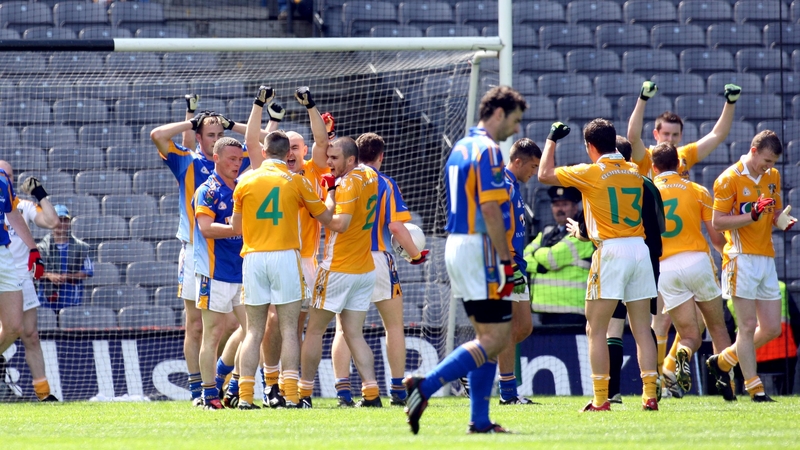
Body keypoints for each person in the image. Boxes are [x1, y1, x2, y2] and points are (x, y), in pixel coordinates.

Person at [404, 86, 526, 435]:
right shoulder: (488, 150)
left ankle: (480, 420)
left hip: (458, 244)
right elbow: (489, 208)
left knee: (487, 334)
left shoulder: (460, 147)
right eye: (515, 121)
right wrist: (505, 261)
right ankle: (424, 386)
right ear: (498, 114)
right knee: (497, 337)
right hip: (480, 247)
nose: (517, 130)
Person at [150, 91, 275, 406]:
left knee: (237, 326)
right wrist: (190, 120)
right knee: (196, 325)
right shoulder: (188, 161)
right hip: (197, 249)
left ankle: (222, 382)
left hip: (232, 252)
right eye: (210, 134)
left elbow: (270, 142)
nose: (216, 138)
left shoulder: (235, 161)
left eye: (221, 134)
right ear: (198, 136)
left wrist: (235, 124)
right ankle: (200, 392)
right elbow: (157, 136)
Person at [539, 119, 659, 412]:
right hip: (639, 250)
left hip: (611, 251)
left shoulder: (590, 172)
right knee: (642, 327)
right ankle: (650, 395)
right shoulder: (634, 171)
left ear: (590, 147)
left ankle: (600, 399)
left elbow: (544, 174)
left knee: (596, 328)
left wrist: (552, 139)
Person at [628, 81, 739, 381]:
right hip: (667, 255)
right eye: (667, 134)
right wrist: (642, 100)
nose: (672, 139)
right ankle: (664, 374)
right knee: (664, 322)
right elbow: (631, 136)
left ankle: (666, 374)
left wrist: (729, 104)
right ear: (656, 135)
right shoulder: (648, 158)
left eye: (676, 135)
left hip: (665, 258)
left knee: (686, 325)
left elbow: (717, 134)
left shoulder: (683, 156)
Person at [244, 87, 333, 407]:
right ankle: (271, 385)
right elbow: (253, 142)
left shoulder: (311, 171)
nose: (292, 152)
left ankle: (296, 389)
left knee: (296, 326)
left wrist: (311, 105)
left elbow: (324, 142)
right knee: (270, 323)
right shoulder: (265, 172)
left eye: (297, 146)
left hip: (305, 259)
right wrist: (258, 107)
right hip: (276, 255)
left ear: (304, 150)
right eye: (288, 147)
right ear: (281, 151)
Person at [330, 132, 427, 408]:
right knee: (394, 326)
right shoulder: (385, 183)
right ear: (381, 156)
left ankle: (344, 392)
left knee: (345, 329)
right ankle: (397, 390)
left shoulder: (341, 182)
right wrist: (416, 255)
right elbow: (397, 227)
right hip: (379, 258)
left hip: (347, 258)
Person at [707, 130, 797, 402]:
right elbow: (718, 222)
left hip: (765, 258)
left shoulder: (772, 177)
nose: (768, 167)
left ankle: (723, 361)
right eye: (766, 160)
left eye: (773, 163)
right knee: (746, 325)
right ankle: (754, 388)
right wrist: (751, 214)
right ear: (754, 150)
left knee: (772, 328)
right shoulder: (728, 179)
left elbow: (775, 212)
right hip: (739, 258)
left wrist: (781, 220)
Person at [298, 137, 379, 408]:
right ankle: (371, 394)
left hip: (337, 269)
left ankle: (304, 394)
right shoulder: (370, 174)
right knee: (354, 333)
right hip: (364, 269)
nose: (328, 163)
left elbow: (340, 224)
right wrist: (333, 190)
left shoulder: (346, 184)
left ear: (351, 160)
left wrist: (317, 206)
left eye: (334, 158)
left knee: (314, 331)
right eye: (328, 157)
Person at [650, 142, 732, 395]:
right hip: (697, 261)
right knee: (717, 326)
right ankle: (727, 385)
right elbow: (716, 238)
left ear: (653, 167)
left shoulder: (647, 192)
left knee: (689, 336)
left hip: (666, 267)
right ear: (678, 164)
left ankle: (682, 354)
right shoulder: (697, 190)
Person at [192, 137, 248, 410]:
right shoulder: (208, 191)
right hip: (214, 273)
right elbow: (205, 228)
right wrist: (237, 229)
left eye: (239, 160)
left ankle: (237, 386)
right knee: (212, 335)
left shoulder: (241, 189)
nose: (236, 164)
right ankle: (208, 393)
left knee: (254, 333)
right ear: (216, 158)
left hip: (244, 273)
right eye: (231, 159)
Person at [491, 137, 543, 405]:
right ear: (518, 161)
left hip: (517, 265)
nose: (533, 173)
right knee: (509, 328)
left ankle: (474, 364)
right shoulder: (503, 185)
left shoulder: (513, 186)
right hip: (506, 264)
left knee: (523, 327)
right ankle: (508, 393)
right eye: (532, 167)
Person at [0, 164, 54, 402]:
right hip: (6, 268)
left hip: (19, 274)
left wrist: (40, 193)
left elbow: (52, 222)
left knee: (27, 333)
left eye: (10, 175)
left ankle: (43, 394)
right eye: (5, 175)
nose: (7, 179)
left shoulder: (20, 204)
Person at [525, 185, 593, 325]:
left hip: (573, 312)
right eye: (556, 205)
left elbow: (552, 259)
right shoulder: (547, 232)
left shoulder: (582, 234)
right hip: (545, 310)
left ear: (575, 207)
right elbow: (524, 257)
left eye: (564, 204)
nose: (560, 209)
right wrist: (539, 267)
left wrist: (537, 252)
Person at [37, 205, 93, 312]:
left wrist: (68, 276)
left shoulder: (82, 247)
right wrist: (49, 275)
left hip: (71, 298)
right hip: (46, 299)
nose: (60, 224)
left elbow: (88, 272)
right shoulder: (40, 248)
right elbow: (31, 270)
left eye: (64, 220)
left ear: (68, 223)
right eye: (57, 220)